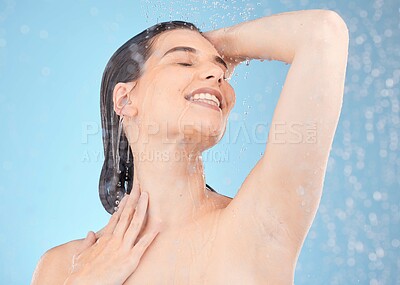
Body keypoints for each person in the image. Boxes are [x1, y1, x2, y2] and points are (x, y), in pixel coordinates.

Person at [31, 9, 349, 285]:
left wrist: (221, 47)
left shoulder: (260, 223)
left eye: (222, 71)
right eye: (183, 62)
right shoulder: (64, 267)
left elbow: (322, 34)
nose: (217, 76)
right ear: (126, 99)